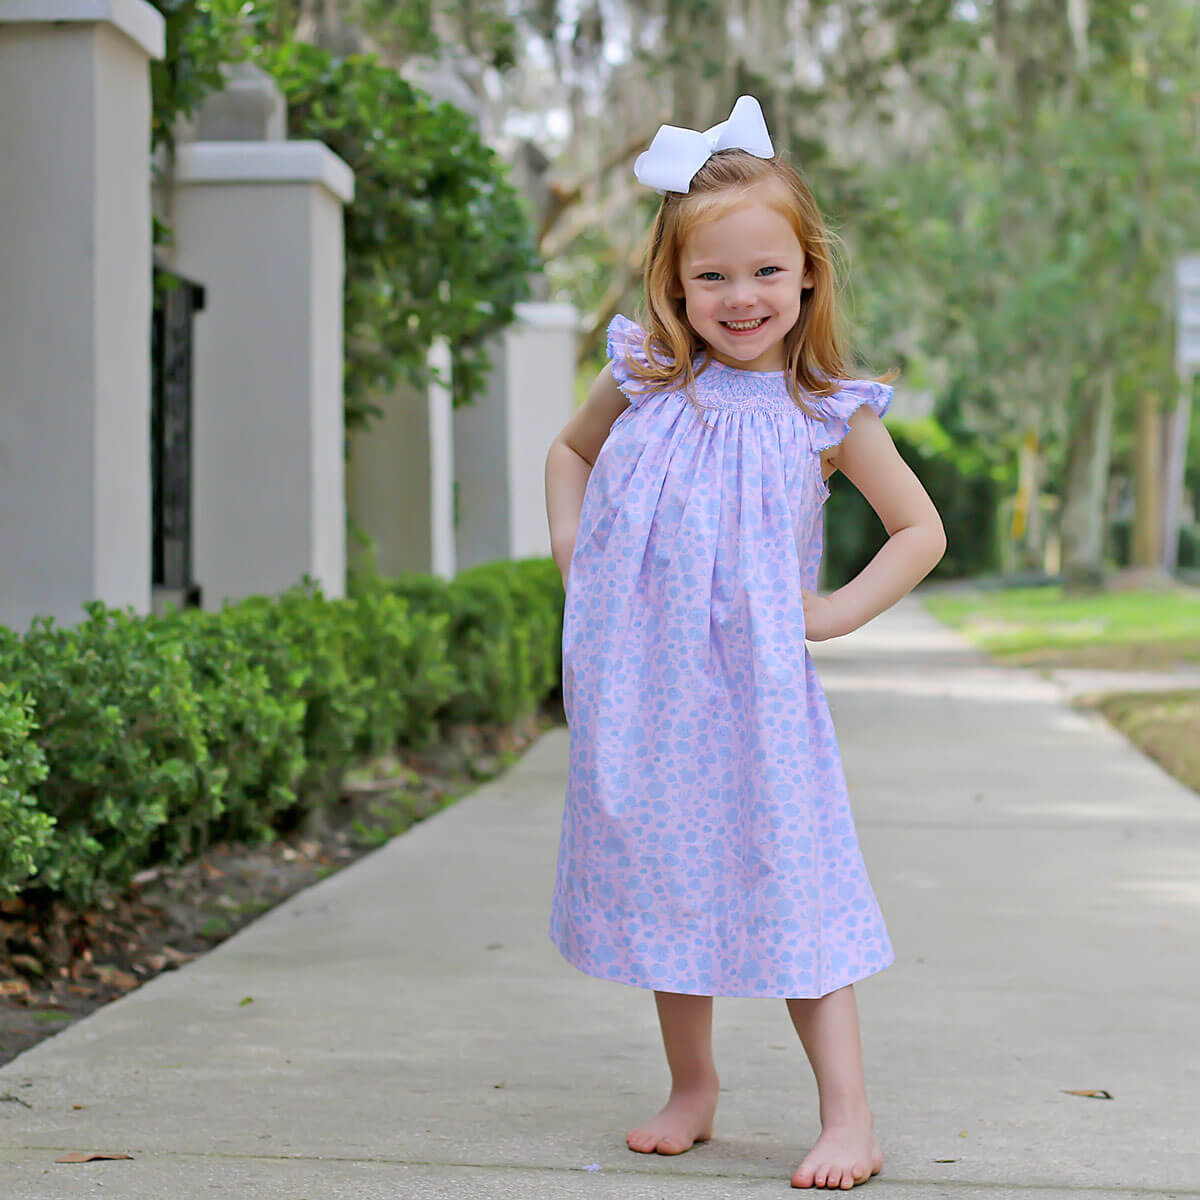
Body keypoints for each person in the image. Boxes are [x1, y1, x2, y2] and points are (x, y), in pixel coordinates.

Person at [543, 95, 946, 1191]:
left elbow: (919, 530)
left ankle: (849, 1115)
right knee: (673, 880)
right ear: (674, 284)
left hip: (761, 696)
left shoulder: (824, 409)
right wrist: (578, 561)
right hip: (651, 685)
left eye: (765, 272)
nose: (740, 297)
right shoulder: (645, 377)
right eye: (711, 277)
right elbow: (569, 456)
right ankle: (692, 1087)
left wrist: (830, 612)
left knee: (791, 883)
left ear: (808, 273)